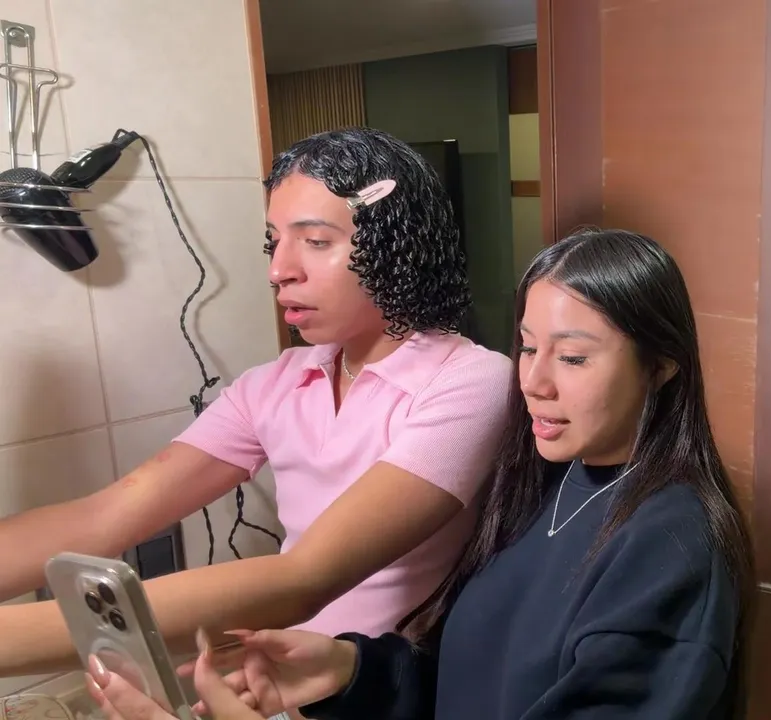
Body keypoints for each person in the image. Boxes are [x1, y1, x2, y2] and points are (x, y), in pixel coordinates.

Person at [88, 229, 754, 720]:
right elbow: (470, 681)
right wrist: (349, 671)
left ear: (661, 366)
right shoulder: (540, 486)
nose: (534, 382)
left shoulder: (670, 547)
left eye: (574, 358)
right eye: (527, 348)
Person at [0, 127, 511, 677]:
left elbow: (305, 579)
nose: (278, 270)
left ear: (395, 245)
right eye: (274, 241)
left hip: (395, 687)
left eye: (316, 241)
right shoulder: (274, 385)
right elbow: (105, 517)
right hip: (289, 683)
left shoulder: (472, 382)